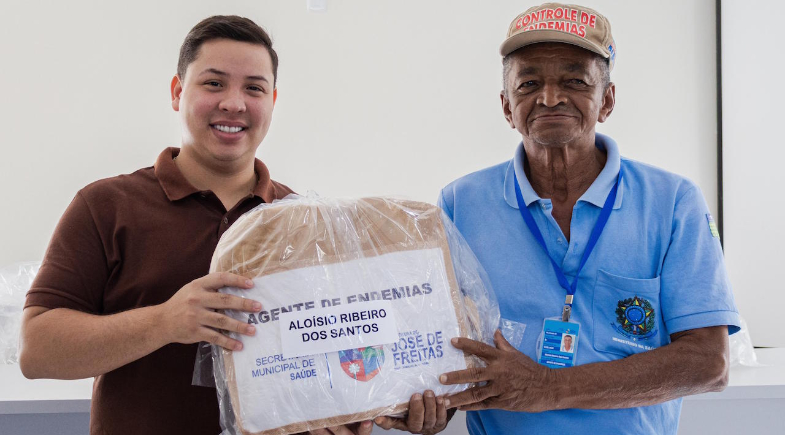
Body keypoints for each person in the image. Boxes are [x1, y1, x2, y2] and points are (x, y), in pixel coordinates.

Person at [17, 15, 376, 435]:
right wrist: (165, 321)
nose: (234, 103)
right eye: (214, 83)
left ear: (273, 101)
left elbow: (333, 354)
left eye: (254, 88)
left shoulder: (302, 220)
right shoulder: (105, 206)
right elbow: (37, 351)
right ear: (177, 91)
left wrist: (359, 409)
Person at [434, 3, 740, 435]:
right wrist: (426, 407)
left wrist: (549, 387)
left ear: (607, 100)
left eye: (575, 81)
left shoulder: (673, 201)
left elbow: (709, 363)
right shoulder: (460, 203)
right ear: (507, 107)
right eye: (529, 83)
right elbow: (444, 354)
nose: (550, 97)